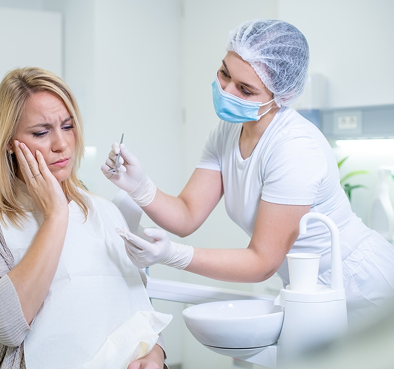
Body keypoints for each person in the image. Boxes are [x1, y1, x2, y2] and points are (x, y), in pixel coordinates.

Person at [102, 19, 394, 324]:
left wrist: (172, 255)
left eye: (245, 89)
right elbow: (187, 214)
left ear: (279, 95)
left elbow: (262, 261)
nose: (226, 91)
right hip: (308, 287)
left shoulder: (293, 148)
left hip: (362, 284)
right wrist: (139, 186)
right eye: (225, 73)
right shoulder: (227, 132)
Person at [0, 67, 170, 369]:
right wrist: (55, 215)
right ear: (10, 144)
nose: (61, 144)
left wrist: (156, 353)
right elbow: (6, 326)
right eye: (41, 132)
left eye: (67, 127)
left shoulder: (102, 210)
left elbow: (136, 303)